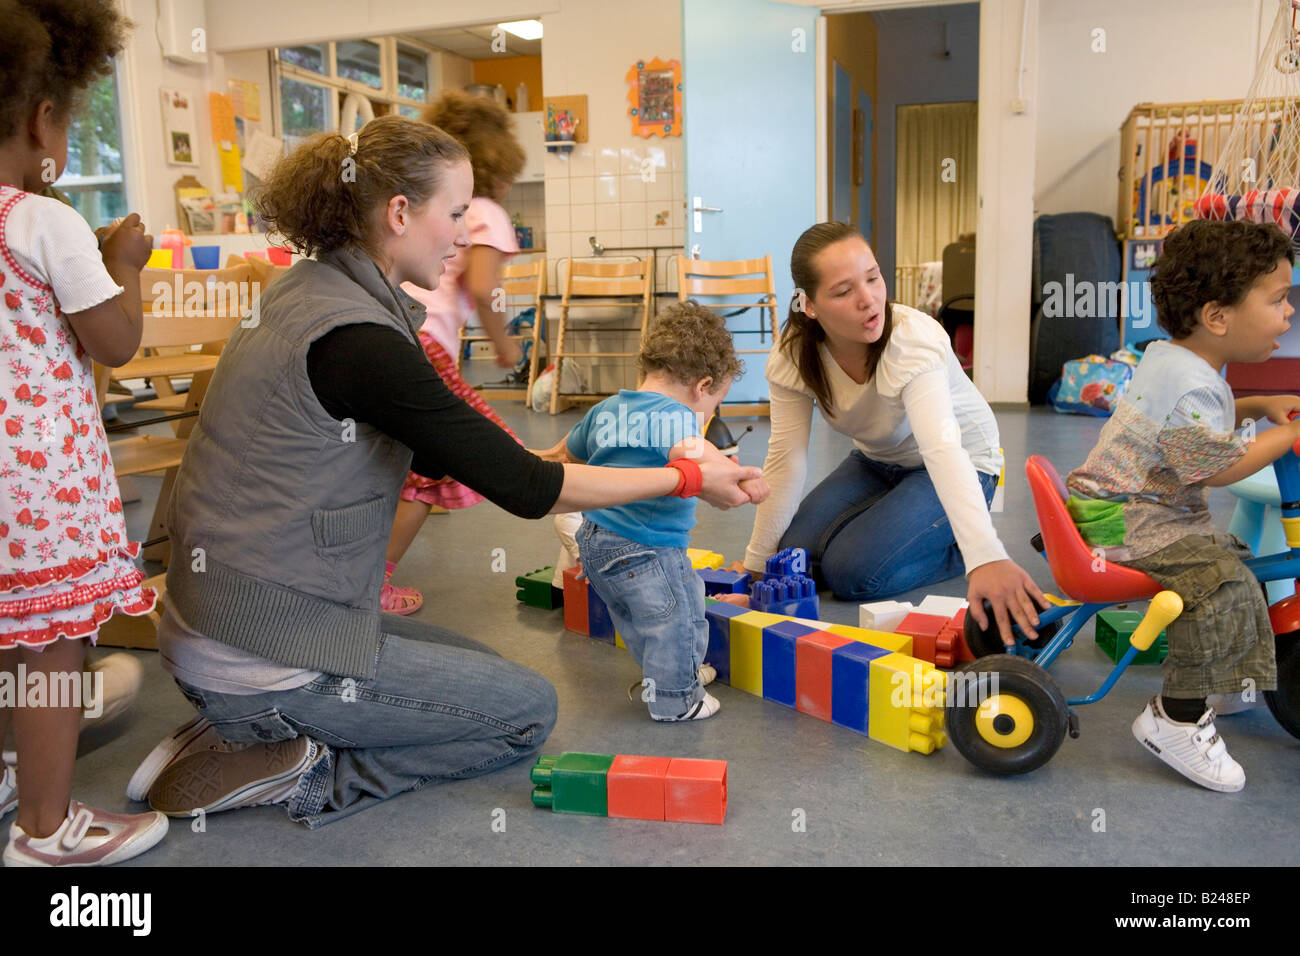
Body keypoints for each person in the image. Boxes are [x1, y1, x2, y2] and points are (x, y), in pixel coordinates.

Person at [131, 115, 762, 827]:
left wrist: (559, 456)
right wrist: (686, 478)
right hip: (262, 651)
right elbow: (528, 490)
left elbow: (459, 454)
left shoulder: (306, 292)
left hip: (220, 625)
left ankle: (241, 728)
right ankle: (298, 767)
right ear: (400, 213)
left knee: (478, 665)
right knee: (526, 711)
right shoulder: (360, 341)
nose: (465, 235)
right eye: (456, 213)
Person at [0, 0, 167, 866]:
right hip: (36, 484)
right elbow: (116, 343)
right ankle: (45, 829)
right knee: (51, 646)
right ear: (42, 120)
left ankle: (17, 778)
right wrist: (125, 267)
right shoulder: (43, 219)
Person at [1067, 218, 1298, 792]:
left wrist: (1254, 406)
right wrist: (1288, 435)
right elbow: (1218, 468)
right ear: (1218, 317)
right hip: (1128, 520)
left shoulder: (1174, 359)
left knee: (1231, 557)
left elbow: (1195, 428)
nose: (1288, 314)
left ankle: (1223, 673)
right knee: (1224, 583)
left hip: (1127, 506)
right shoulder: (1195, 383)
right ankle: (1177, 717)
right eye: (1277, 301)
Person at [744, 221, 1045, 644]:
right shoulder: (794, 352)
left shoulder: (911, 341)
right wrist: (755, 564)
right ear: (809, 306)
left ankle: (955, 550)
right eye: (843, 291)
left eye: (873, 278)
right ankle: (904, 521)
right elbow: (786, 457)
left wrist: (985, 556)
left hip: (961, 461)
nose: (869, 300)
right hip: (877, 461)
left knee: (851, 574)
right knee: (796, 557)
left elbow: (942, 448)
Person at [541, 303, 769, 720]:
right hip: (646, 549)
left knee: (658, 612)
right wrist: (738, 475)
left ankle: (676, 672)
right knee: (673, 619)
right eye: (715, 404)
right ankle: (675, 699)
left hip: (594, 543)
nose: (709, 415)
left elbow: (564, 457)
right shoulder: (677, 416)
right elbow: (694, 449)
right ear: (702, 386)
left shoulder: (605, 409)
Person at [382, 90, 528, 615]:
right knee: (436, 469)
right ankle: (374, 581)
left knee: (397, 463)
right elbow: (485, 286)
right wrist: (508, 345)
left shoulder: (434, 204)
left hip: (392, 332)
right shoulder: (484, 209)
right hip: (427, 347)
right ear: (495, 160)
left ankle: (354, 571)